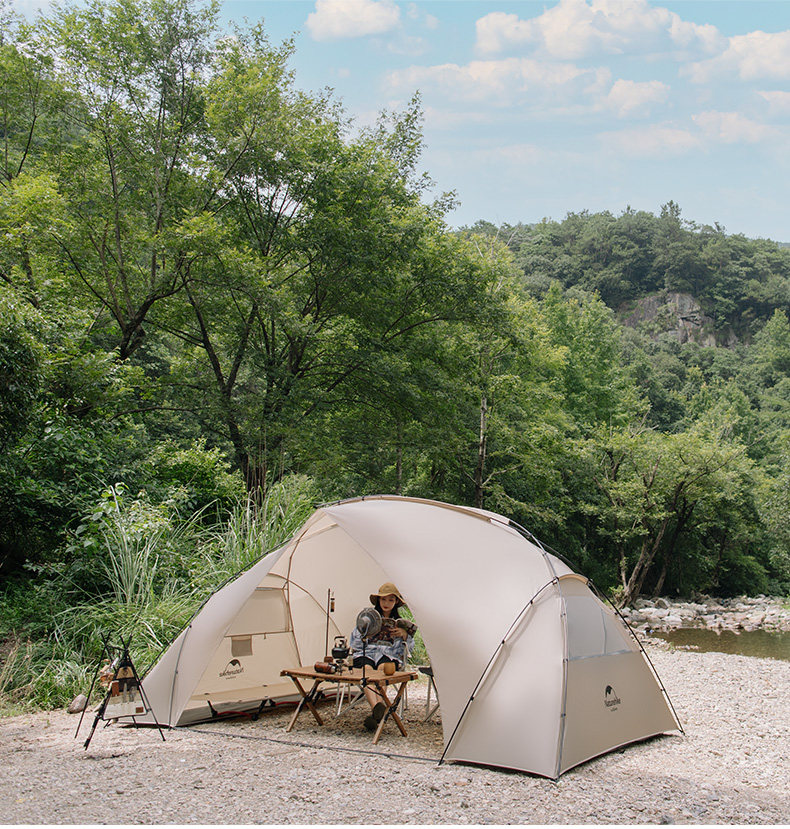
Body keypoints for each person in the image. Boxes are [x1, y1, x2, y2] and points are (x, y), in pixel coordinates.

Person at [350, 582, 415, 731]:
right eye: (383, 599)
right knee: (366, 670)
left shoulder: (400, 624)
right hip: (367, 653)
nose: (386, 603)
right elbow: (355, 641)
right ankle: (378, 711)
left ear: (396, 602)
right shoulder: (368, 618)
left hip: (389, 655)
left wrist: (404, 635)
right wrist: (366, 634)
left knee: (382, 669)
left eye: (391, 600)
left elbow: (409, 648)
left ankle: (376, 714)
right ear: (378, 601)